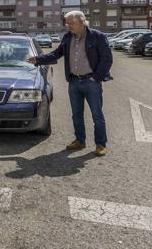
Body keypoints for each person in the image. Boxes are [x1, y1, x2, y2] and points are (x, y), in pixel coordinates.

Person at [27, 10, 113, 156]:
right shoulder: (68, 37)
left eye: (71, 23)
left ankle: (100, 144)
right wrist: (38, 59)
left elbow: (107, 59)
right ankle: (80, 140)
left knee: (97, 115)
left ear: (82, 22)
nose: (69, 26)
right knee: (76, 114)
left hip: (91, 82)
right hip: (74, 82)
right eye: (67, 24)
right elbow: (57, 54)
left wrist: (96, 77)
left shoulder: (97, 36)